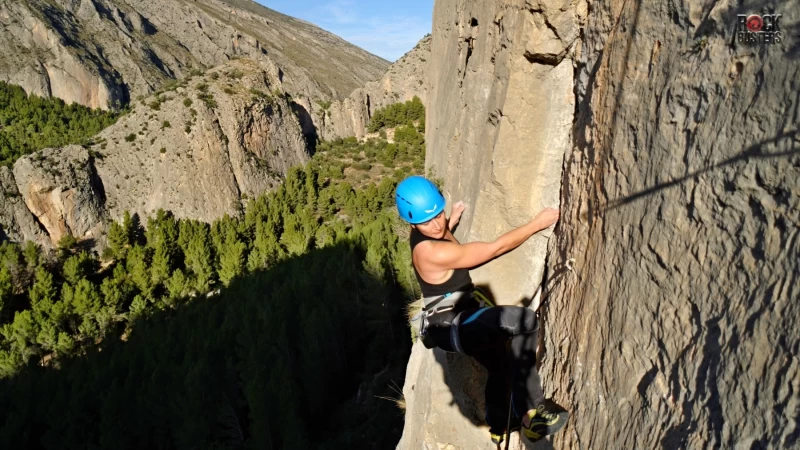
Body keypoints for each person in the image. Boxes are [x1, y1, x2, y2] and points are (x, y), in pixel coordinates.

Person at [396, 175, 568, 445]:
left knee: (500, 366)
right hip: (453, 324)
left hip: (455, 318)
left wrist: (452, 219)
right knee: (524, 321)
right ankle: (532, 415)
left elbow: (440, 229)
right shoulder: (430, 252)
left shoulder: (426, 230)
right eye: (427, 221)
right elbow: (496, 248)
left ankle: (498, 425)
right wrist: (537, 223)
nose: (437, 225)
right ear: (412, 223)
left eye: (438, 215)